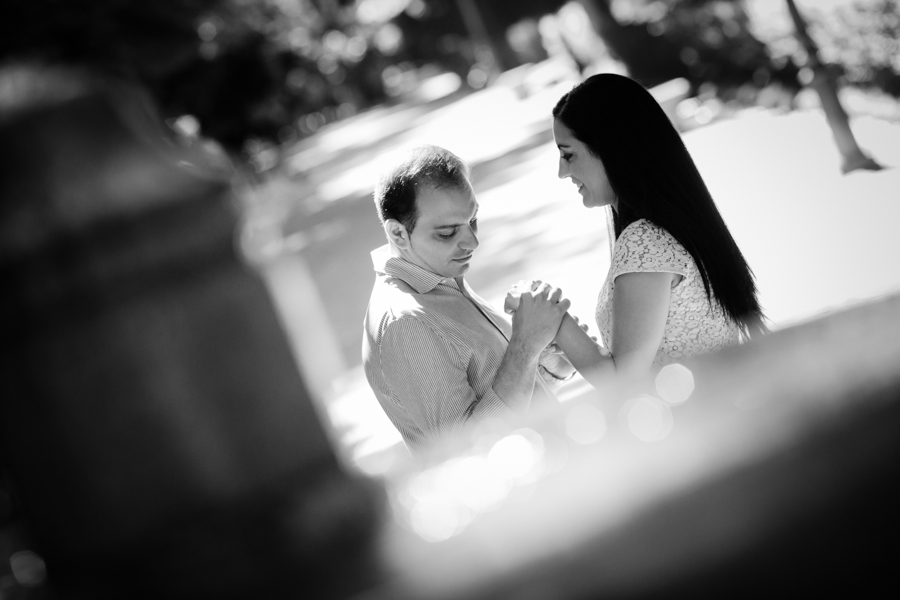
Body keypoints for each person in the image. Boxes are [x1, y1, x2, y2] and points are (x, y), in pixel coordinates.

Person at [510, 73, 767, 387]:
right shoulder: (670, 226)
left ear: (612, 149)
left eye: (568, 154)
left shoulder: (645, 240)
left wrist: (549, 314)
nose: (562, 172)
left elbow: (624, 382)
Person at [362, 144, 574, 452]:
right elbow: (469, 450)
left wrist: (546, 363)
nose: (472, 241)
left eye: (473, 220)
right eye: (448, 233)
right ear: (397, 234)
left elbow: (499, 397)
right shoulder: (406, 324)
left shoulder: (440, 278)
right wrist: (524, 346)